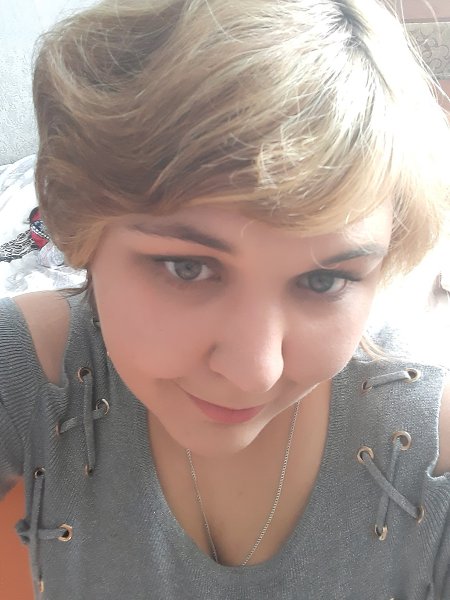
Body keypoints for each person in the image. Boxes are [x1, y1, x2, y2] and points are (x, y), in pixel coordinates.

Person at [0, 0, 449, 598]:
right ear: (81, 232)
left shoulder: (430, 444)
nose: (254, 372)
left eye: (324, 282)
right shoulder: (30, 370)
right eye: (188, 268)